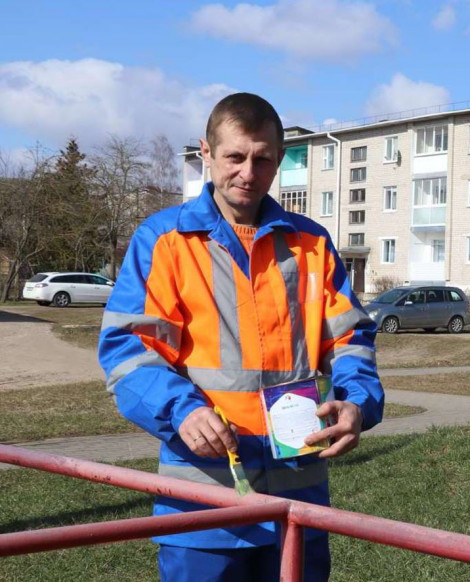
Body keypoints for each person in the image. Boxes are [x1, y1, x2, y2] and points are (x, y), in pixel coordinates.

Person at [98, 93, 384, 581]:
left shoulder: (312, 242)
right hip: (202, 500)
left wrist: (357, 401)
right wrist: (181, 409)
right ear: (206, 154)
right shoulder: (164, 240)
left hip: (297, 495)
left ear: (278, 160)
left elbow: (351, 338)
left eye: (263, 158)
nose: (248, 172)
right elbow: (127, 350)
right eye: (234, 156)